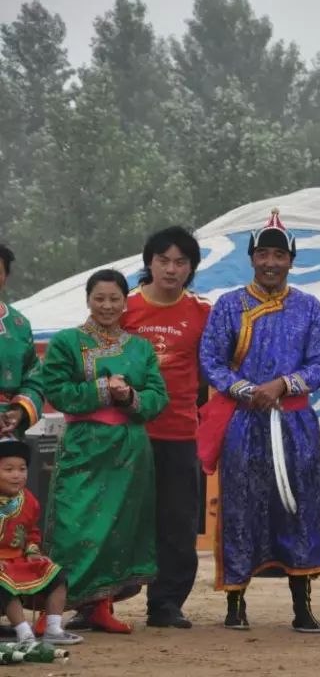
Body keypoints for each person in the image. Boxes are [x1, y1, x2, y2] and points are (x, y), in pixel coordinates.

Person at [198, 209, 320, 633]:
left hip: (295, 425)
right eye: (263, 254)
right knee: (240, 508)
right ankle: (235, 603)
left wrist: (282, 385)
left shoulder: (309, 307)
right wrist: (246, 390)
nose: (270, 263)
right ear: (251, 258)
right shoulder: (229, 305)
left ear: (291, 260)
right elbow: (211, 361)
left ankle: (302, 606)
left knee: (298, 507)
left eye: (279, 255)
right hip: (243, 423)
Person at [41, 269, 167, 633]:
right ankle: (51, 611)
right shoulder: (66, 342)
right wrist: (102, 389)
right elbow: (56, 390)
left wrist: (129, 396)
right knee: (71, 528)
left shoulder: (140, 348)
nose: (107, 306)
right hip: (84, 446)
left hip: (129, 451)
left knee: (117, 530)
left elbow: (158, 397)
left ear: (125, 302)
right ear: (87, 299)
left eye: (114, 299)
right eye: (99, 298)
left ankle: (100, 607)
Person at [121, 226, 211, 630]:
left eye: (180, 262)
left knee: (178, 522)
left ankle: (166, 603)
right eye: (163, 260)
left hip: (179, 431)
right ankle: (96, 601)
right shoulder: (122, 306)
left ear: (191, 268)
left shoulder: (203, 312)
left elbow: (212, 369)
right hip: (127, 432)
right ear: (149, 263)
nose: (171, 269)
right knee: (116, 517)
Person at [0, 437, 82, 646]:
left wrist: (33, 552)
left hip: (18, 561)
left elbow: (31, 533)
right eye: (8, 470)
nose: (17, 475)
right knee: (3, 581)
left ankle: (53, 629)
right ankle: (24, 634)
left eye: (22, 469)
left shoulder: (29, 501)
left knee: (56, 574)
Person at [0, 243, 44, 441]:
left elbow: (34, 377)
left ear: (5, 277)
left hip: (7, 429)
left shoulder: (19, 324)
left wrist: (19, 410)